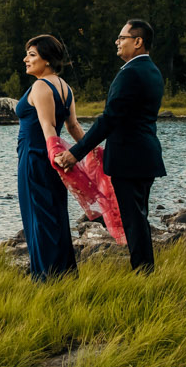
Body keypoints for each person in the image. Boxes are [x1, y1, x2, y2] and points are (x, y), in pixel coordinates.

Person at [55, 18, 165, 273]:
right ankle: (145, 270)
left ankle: (143, 274)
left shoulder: (132, 73)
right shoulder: (152, 71)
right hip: (145, 156)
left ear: (138, 42)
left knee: (134, 220)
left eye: (121, 38)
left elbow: (110, 119)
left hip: (130, 158)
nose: (117, 42)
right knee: (138, 216)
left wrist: (75, 153)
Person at [15, 34, 83, 281]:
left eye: (32, 55)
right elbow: (74, 127)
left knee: (38, 218)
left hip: (36, 158)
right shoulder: (65, 87)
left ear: (47, 60)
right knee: (54, 214)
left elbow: (48, 126)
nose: (26, 59)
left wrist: (56, 154)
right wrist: (89, 150)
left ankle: (45, 277)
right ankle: (63, 274)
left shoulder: (41, 86)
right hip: (50, 159)